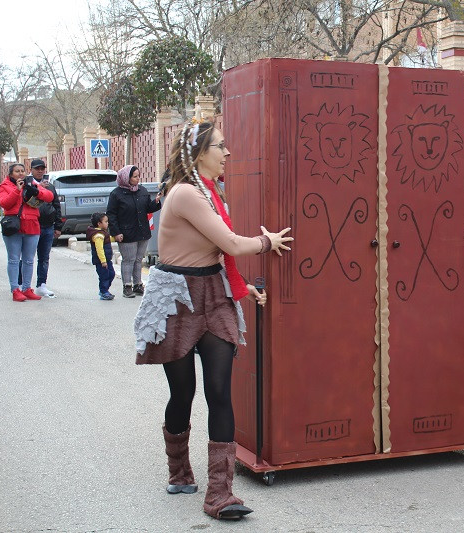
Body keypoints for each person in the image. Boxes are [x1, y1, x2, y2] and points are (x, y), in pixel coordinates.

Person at [133, 120, 292, 520]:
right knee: (183, 393)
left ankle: (220, 495)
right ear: (199, 152)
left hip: (214, 295)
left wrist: (242, 290)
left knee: (220, 391)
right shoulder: (186, 193)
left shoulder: (210, 191)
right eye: (220, 146)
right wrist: (267, 241)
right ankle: (179, 470)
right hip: (178, 300)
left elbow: (220, 255)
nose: (227, 153)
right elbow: (232, 243)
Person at [0, 163, 54, 301]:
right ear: (11, 174)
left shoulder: (32, 183)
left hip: (32, 225)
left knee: (29, 260)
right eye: (17, 171)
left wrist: (36, 191)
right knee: (14, 259)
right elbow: (4, 203)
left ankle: (27, 288)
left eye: (22, 171)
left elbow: (49, 196)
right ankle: (15, 289)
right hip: (14, 226)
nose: (20, 173)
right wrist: (17, 190)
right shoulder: (5, 186)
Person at [107, 164, 162, 298]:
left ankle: (138, 284)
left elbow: (148, 208)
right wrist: (116, 232)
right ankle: (127, 286)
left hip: (142, 230)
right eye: (134, 176)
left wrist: (156, 201)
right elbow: (111, 214)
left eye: (138, 176)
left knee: (138, 259)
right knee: (128, 259)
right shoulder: (116, 194)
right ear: (126, 178)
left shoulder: (142, 191)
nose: (137, 179)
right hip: (126, 232)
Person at [28, 159, 62, 297]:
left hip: (48, 226)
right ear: (31, 169)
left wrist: (58, 226)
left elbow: (56, 206)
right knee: (27, 258)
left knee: (44, 258)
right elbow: (28, 202)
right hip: (31, 226)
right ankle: (22, 285)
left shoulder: (50, 186)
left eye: (42, 168)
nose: (40, 171)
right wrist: (38, 189)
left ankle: (41, 285)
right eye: (37, 168)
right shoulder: (27, 184)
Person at [86, 212, 116, 300]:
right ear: (99, 224)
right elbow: (99, 249)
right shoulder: (98, 235)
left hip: (107, 260)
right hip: (101, 261)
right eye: (106, 222)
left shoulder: (102, 233)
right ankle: (103, 291)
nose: (108, 223)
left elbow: (107, 239)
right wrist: (103, 261)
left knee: (111, 274)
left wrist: (115, 238)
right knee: (104, 276)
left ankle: (105, 290)